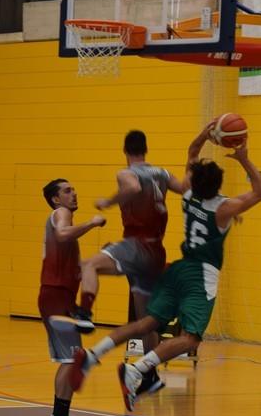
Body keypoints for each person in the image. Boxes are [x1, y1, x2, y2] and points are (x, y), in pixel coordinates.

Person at [70, 137, 261, 409]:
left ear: (194, 181)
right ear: (218, 185)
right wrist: (244, 157)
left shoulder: (188, 196)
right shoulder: (225, 208)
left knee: (146, 323)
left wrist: (205, 135)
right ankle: (138, 369)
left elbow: (191, 152)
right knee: (190, 338)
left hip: (178, 269)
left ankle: (93, 354)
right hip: (201, 276)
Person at [71, 132, 189, 357]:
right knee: (145, 322)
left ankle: (84, 314)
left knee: (89, 265)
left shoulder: (127, 173)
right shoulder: (162, 173)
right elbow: (185, 187)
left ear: (124, 150)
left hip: (137, 244)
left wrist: (109, 201)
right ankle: (149, 372)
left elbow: (133, 188)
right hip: (156, 253)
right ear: (146, 149)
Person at [39, 179, 105, 416]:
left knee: (71, 357)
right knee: (69, 359)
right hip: (54, 296)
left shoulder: (63, 220)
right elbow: (63, 233)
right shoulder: (61, 214)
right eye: (67, 190)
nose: (74, 193)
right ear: (56, 199)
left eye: (74, 189)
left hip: (61, 296)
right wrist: (91, 222)